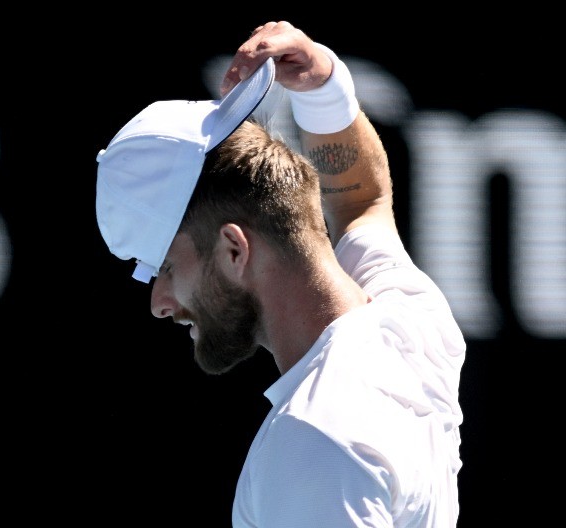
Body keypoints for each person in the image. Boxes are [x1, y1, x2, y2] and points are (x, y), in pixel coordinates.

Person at [95, 20, 466, 527]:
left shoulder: (319, 441)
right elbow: (362, 201)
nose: (160, 302)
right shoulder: (409, 318)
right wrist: (324, 88)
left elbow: (363, 201)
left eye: (165, 267)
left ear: (233, 250)